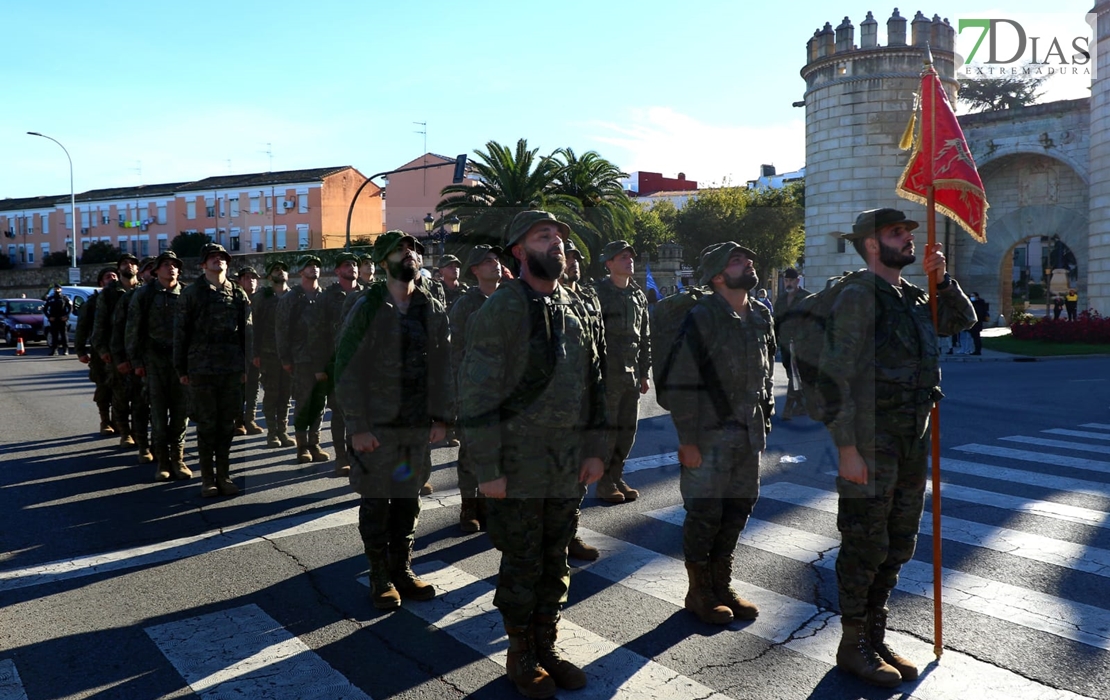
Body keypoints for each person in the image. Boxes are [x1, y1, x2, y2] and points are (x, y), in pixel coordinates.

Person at [820, 208, 974, 687]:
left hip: (911, 438)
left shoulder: (910, 296)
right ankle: (853, 644)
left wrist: (942, 279)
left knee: (898, 542)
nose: (909, 239)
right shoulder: (856, 296)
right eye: (896, 233)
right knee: (865, 542)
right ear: (870, 244)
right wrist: (846, 448)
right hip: (869, 439)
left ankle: (875, 633)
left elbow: (960, 322)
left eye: (909, 231)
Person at [458, 210, 607, 697]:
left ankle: (547, 645)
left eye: (560, 237)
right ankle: (520, 652)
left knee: (555, 559)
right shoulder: (502, 308)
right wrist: (488, 468)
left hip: (566, 464)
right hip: (518, 465)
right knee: (522, 562)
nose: (558, 243)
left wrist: (595, 451)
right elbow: (476, 394)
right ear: (520, 251)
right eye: (545, 236)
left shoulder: (577, 305)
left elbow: (595, 386)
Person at [334, 231, 453, 611]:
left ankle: (402, 568)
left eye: (414, 250)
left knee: (407, 498)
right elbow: (347, 368)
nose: (410, 255)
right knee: (376, 500)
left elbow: (442, 364)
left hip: (415, 424)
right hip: (378, 426)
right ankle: (378, 575)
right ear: (384, 262)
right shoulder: (367, 306)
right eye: (400, 251)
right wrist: (358, 426)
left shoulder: (429, 305)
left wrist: (442, 417)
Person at [668, 242, 774, 627]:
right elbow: (682, 383)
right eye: (736, 260)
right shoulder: (703, 316)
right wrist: (688, 441)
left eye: (748, 257)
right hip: (708, 438)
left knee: (737, 509)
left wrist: (764, 421)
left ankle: (721, 584)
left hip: (748, 435)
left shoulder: (761, 314)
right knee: (705, 514)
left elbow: (764, 377)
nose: (747, 263)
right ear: (717, 276)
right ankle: (699, 593)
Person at [174, 243, 252, 498]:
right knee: (207, 425)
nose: (218, 261)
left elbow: (247, 332)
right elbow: (181, 332)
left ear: (228, 264)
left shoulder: (237, 293)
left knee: (228, 425)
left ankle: (224, 475)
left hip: (230, 369)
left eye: (222, 258)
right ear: (203, 264)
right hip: (201, 369)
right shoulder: (193, 293)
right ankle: (208, 478)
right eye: (212, 258)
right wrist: (181, 368)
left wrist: (246, 366)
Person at [448, 244, 503, 533]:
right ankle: (469, 505)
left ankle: (489, 503)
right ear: (475, 270)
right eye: (487, 261)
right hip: (474, 392)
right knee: (471, 451)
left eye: (496, 260)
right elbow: (456, 352)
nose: (495, 265)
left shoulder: (510, 300)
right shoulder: (465, 305)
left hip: (506, 392)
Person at [593, 240, 651, 505]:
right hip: (606, 373)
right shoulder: (597, 293)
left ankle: (616, 476)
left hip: (631, 373)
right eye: (622, 257)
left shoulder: (638, 295)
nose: (629, 260)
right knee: (608, 431)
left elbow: (644, 338)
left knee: (627, 431)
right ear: (609, 264)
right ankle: (604, 482)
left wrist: (644, 373)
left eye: (630, 256)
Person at [127, 251, 190, 481]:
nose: (170, 268)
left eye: (174, 265)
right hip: (154, 362)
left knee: (181, 413)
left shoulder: (186, 294)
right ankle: (162, 462)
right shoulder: (144, 295)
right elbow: (133, 329)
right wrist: (136, 361)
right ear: (156, 271)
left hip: (181, 362)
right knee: (160, 416)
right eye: (165, 265)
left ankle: (179, 459)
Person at [560, 237, 604, 563]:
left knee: (578, 482)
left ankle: (570, 533)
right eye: (569, 257)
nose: (573, 262)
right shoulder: (547, 300)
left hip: (585, 397)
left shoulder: (587, 297)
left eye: (577, 257)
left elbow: (597, 347)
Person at [276, 255, 332, 465]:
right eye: (309, 266)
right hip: (301, 358)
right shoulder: (292, 298)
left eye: (316, 266)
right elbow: (281, 330)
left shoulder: (324, 296)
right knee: (303, 402)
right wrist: (285, 358)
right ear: (300, 272)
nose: (314, 269)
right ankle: (302, 447)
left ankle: (315, 443)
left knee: (319, 403)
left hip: (323, 358)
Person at [111, 257, 158, 464]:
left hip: (163, 362)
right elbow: (119, 331)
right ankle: (142, 445)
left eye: (156, 270)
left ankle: (160, 446)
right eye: (149, 270)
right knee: (140, 405)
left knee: (161, 407)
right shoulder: (130, 297)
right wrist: (122, 359)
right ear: (142, 274)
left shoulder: (174, 294)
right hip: (138, 361)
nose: (153, 273)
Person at [91, 253, 141, 448]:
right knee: (119, 394)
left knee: (140, 396)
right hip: (116, 350)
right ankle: (124, 431)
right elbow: (99, 325)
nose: (129, 266)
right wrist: (103, 350)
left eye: (132, 263)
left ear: (137, 268)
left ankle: (139, 432)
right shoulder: (108, 294)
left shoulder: (144, 291)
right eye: (124, 263)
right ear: (119, 268)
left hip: (139, 350)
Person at [321, 252, 363, 476]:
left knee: (363, 413)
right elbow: (318, 333)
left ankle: (359, 458)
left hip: (364, 365)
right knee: (339, 413)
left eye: (355, 264)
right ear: (338, 271)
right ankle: (341, 458)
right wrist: (321, 367)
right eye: (347, 265)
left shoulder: (368, 294)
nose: (353, 267)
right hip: (337, 365)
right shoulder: (328, 296)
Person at [253, 260, 295, 449]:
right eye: (277, 269)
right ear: (270, 276)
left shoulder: (294, 295)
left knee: (286, 395)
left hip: (290, 354)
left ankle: (283, 431)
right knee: (271, 394)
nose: (281, 271)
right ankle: (272, 433)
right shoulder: (263, 296)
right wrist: (255, 353)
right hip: (269, 353)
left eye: (283, 269)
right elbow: (256, 327)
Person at [76, 267, 119, 435]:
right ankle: (105, 421)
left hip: (120, 351)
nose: (113, 279)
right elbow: (82, 328)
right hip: (100, 352)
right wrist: (81, 351)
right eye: (108, 277)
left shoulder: (124, 298)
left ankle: (118, 421)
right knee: (103, 387)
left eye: (115, 276)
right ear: (101, 282)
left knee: (120, 389)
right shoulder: (92, 303)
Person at [773, 268, 812, 420]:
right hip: (784, 343)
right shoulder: (781, 299)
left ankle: (788, 408)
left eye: (791, 280)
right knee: (794, 374)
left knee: (794, 374)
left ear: (797, 281)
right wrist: (773, 342)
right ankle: (802, 405)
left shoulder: (807, 298)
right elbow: (775, 321)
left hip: (802, 344)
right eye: (786, 280)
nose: (788, 283)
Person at [234, 267, 265, 436]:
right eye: (246, 278)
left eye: (253, 278)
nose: (250, 280)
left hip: (257, 350)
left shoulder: (261, 300)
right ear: (240, 281)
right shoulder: (235, 299)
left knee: (253, 387)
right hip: (239, 350)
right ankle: (238, 421)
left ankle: (250, 420)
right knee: (238, 388)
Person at [43, 284, 72, 356]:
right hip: (54, 319)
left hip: (62, 319)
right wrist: (49, 317)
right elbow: (45, 309)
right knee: (54, 335)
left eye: (58, 288)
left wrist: (66, 316)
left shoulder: (65, 298)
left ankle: (65, 350)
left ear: (61, 289)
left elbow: (70, 308)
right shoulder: (50, 298)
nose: (57, 290)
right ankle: (54, 350)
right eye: (56, 288)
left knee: (64, 335)